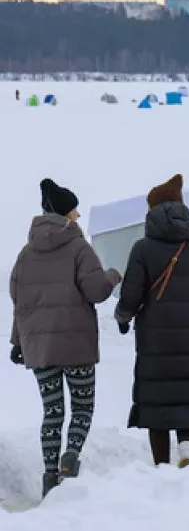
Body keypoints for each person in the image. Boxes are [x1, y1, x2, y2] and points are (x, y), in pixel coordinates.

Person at [11, 179, 122, 496]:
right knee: (82, 408)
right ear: (66, 212)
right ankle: (70, 456)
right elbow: (97, 291)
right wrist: (113, 275)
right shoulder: (79, 248)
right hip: (76, 347)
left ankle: (49, 478)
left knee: (52, 412)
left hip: (40, 348)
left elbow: (20, 303)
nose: (77, 214)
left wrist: (17, 341)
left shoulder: (25, 255)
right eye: (74, 208)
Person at [115, 174, 189, 467]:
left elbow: (131, 294)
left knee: (157, 400)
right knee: (187, 397)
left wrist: (123, 317)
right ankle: (186, 449)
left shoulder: (142, 248)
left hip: (154, 337)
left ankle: (160, 465)